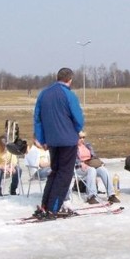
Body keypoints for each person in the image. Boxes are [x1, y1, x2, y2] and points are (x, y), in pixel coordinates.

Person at [33, 68, 84, 218]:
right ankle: (53, 207)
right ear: (70, 79)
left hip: (52, 141)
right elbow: (78, 118)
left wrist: (42, 139)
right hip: (67, 140)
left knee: (54, 171)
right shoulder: (69, 95)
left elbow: (37, 118)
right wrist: (77, 130)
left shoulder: (44, 94)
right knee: (64, 174)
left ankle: (45, 204)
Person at [75, 130, 120, 204]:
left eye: (83, 137)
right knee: (92, 170)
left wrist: (99, 163)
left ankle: (111, 194)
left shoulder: (87, 146)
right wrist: (80, 163)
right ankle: (91, 196)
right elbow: (71, 160)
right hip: (79, 167)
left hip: (90, 164)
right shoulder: (72, 148)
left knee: (103, 170)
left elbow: (94, 157)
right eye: (80, 138)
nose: (82, 139)